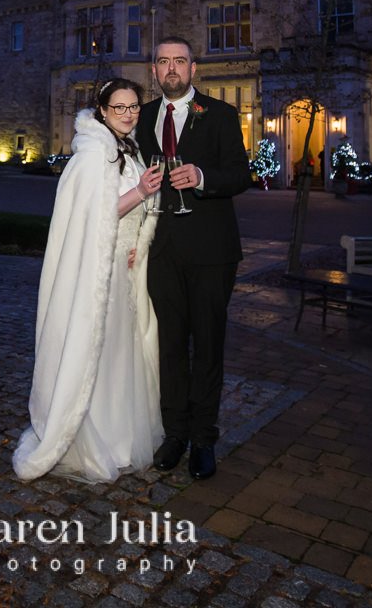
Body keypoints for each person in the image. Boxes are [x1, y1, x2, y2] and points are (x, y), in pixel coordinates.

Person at [12, 78, 166, 482]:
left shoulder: (126, 150)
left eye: (134, 107)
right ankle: (90, 434)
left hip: (124, 268)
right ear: (102, 110)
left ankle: (118, 437)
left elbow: (133, 212)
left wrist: (140, 239)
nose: (129, 114)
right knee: (94, 351)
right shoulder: (91, 155)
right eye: (120, 108)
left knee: (119, 353)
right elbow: (90, 217)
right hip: (98, 272)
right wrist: (140, 192)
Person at [137, 37, 252, 480]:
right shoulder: (143, 117)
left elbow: (241, 174)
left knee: (207, 346)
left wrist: (203, 177)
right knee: (169, 347)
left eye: (179, 62)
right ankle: (174, 434)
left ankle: (204, 438)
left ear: (194, 68)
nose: (172, 69)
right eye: (163, 61)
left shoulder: (220, 115)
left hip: (211, 252)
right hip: (161, 251)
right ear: (153, 70)